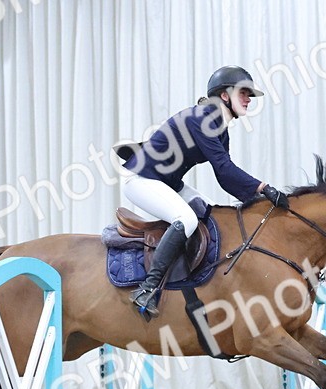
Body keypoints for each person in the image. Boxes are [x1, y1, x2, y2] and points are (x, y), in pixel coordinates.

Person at [119, 65, 289, 318]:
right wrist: (263, 188)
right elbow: (224, 167)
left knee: (215, 215)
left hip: (168, 184)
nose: (248, 100)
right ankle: (148, 288)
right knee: (185, 219)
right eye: (244, 93)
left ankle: (200, 284)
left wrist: (256, 200)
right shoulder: (203, 119)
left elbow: (224, 176)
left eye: (250, 96)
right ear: (224, 95)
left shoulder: (219, 129)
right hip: (142, 180)